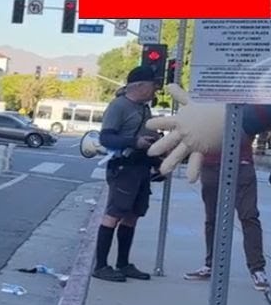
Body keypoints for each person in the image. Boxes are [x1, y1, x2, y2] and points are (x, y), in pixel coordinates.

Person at [145, 84, 269, 290]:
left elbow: (258, 121)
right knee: (213, 218)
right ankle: (212, 264)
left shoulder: (244, 97)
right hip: (211, 163)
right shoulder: (204, 96)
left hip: (240, 163)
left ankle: (257, 268)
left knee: (248, 216)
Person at [92, 65, 162, 282]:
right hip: (124, 167)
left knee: (133, 216)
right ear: (140, 86)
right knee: (114, 214)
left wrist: (157, 161)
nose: (155, 90)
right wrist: (134, 142)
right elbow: (106, 138)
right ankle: (101, 265)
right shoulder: (118, 106)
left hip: (141, 167)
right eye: (153, 85)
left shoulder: (144, 108)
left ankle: (123, 263)